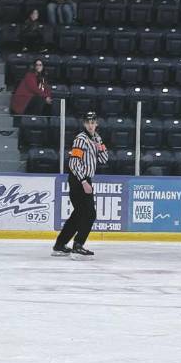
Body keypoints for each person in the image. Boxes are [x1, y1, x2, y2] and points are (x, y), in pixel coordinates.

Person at [53, 111, 109, 259]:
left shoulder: (97, 138)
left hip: (84, 179)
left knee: (78, 214)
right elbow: (73, 162)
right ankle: (78, 246)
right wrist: (84, 181)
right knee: (89, 213)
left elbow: (104, 159)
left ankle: (60, 245)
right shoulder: (81, 139)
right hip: (79, 180)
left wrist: (100, 145)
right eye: (88, 122)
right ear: (84, 124)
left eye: (93, 122)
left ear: (96, 124)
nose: (91, 125)